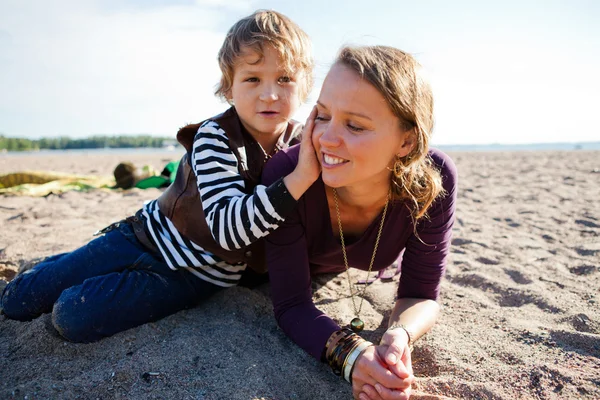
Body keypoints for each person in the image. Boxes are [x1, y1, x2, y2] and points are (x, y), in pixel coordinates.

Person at [1, 9, 320, 343]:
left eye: (284, 78)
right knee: (18, 301)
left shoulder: (302, 144)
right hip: (144, 238)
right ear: (229, 88)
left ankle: (78, 277)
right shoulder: (217, 136)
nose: (269, 94)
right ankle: (60, 264)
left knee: (71, 316)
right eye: (252, 79)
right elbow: (228, 231)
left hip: (194, 276)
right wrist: (298, 180)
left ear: (305, 87)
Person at [262, 45, 457, 400]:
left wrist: (398, 338)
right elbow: (291, 305)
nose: (327, 139)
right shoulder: (286, 176)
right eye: (322, 115)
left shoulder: (433, 180)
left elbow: (421, 295)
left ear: (407, 140)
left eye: (354, 125)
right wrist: (351, 356)